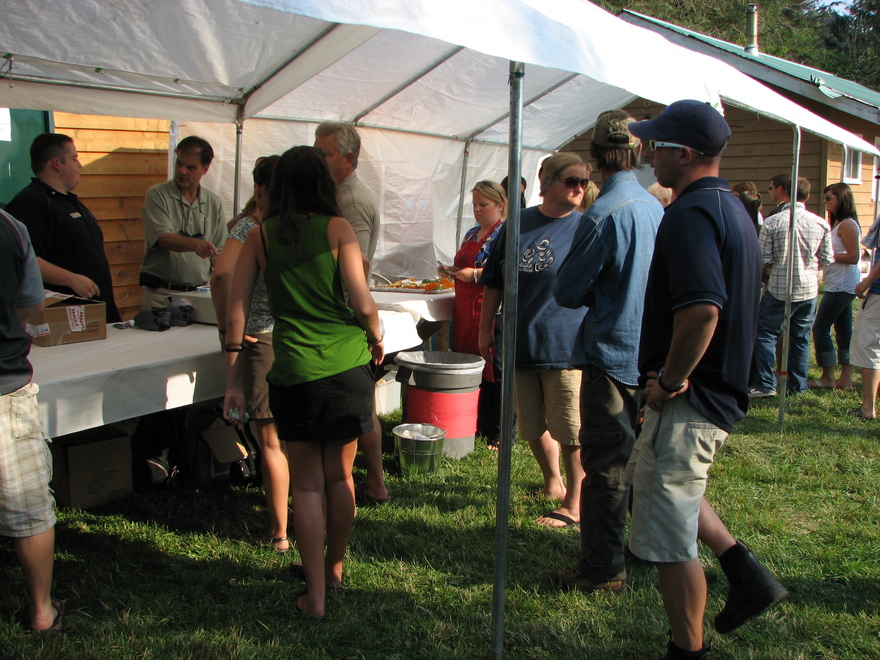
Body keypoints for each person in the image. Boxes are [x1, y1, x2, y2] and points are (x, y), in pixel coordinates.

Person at [627, 100, 788, 660]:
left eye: (656, 145)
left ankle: (687, 650)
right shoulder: (731, 208)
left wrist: (671, 381)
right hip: (714, 390)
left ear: (685, 154)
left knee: (670, 540)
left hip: (694, 396)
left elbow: (701, 311)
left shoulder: (691, 214)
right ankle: (745, 573)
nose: (649, 155)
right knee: (668, 492)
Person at [223, 146, 383, 620]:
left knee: (307, 487)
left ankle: (314, 596)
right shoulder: (338, 228)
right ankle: (334, 570)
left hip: (294, 370)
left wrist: (232, 369)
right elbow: (362, 302)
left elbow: (236, 310)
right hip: (346, 365)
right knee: (341, 477)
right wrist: (376, 337)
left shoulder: (259, 234)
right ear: (322, 183)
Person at [550, 110, 663, 593]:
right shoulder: (655, 208)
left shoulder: (603, 215)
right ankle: (640, 547)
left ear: (594, 154)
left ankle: (603, 569)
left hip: (613, 354)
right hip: (650, 356)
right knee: (640, 460)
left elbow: (567, 290)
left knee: (606, 468)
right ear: (637, 152)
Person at [479, 152, 587, 528]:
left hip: (565, 345)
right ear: (547, 182)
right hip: (520, 340)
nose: (579, 188)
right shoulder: (517, 224)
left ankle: (575, 503)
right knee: (530, 423)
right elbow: (494, 280)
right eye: (571, 180)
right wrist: (485, 329)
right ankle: (553, 483)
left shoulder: (586, 227)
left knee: (569, 429)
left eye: (584, 181)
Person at [212, 155, 290, 553]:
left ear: (259, 188)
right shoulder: (295, 226)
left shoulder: (250, 227)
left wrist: (226, 325)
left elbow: (222, 274)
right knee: (293, 440)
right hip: (294, 337)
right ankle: (305, 516)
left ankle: (279, 533)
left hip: (260, 338)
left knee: (271, 441)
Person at [314, 121, 389, 504]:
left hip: (343, 317)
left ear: (349, 159)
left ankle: (374, 482)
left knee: (359, 407)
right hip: (340, 315)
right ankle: (370, 481)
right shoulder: (336, 194)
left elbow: (355, 265)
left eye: (324, 153)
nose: (318, 159)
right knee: (359, 405)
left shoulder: (352, 201)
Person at [0, 209, 62, 632]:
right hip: (5, 385)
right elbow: (33, 305)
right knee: (30, 508)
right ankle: (42, 612)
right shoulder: (10, 227)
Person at [5, 133, 121, 322]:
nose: (79, 165)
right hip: (66, 319)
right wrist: (71, 279)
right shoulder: (32, 202)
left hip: (99, 313)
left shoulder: (68, 201)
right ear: (57, 163)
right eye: (74, 158)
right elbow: (25, 259)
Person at [438, 180, 507, 449]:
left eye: (483, 204)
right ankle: (473, 421)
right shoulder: (471, 234)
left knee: (493, 368)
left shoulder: (504, 234)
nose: (477, 209)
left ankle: (499, 429)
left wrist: (475, 274)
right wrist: (450, 271)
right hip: (465, 311)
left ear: (500, 205)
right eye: (475, 204)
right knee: (469, 364)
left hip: (487, 308)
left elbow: (505, 270)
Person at [750, 176, 832, 397]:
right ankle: (798, 385)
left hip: (779, 287)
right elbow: (826, 257)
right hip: (808, 288)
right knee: (800, 337)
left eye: (771, 188)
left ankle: (766, 383)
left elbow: (763, 258)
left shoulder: (773, 222)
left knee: (766, 333)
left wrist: (771, 269)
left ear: (783, 191)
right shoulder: (820, 223)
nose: (770, 191)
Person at [139, 135, 226, 310]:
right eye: (179, 163)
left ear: (205, 169)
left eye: (190, 167)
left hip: (200, 294)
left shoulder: (213, 202)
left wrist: (224, 278)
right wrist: (195, 245)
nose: (182, 171)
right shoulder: (157, 195)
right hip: (161, 294)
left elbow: (219, 251)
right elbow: (163, 238)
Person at [810, 183, 860, 390]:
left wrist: (828, 255)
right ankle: (845, 379)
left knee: (820, 327)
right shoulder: (838, 223)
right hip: (836, 284)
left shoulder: (848, 224)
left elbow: (854, 257)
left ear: (842, 198)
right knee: (844, 331)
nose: (825, 202)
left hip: (842, 285)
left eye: (829, 198)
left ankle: (828, 377)